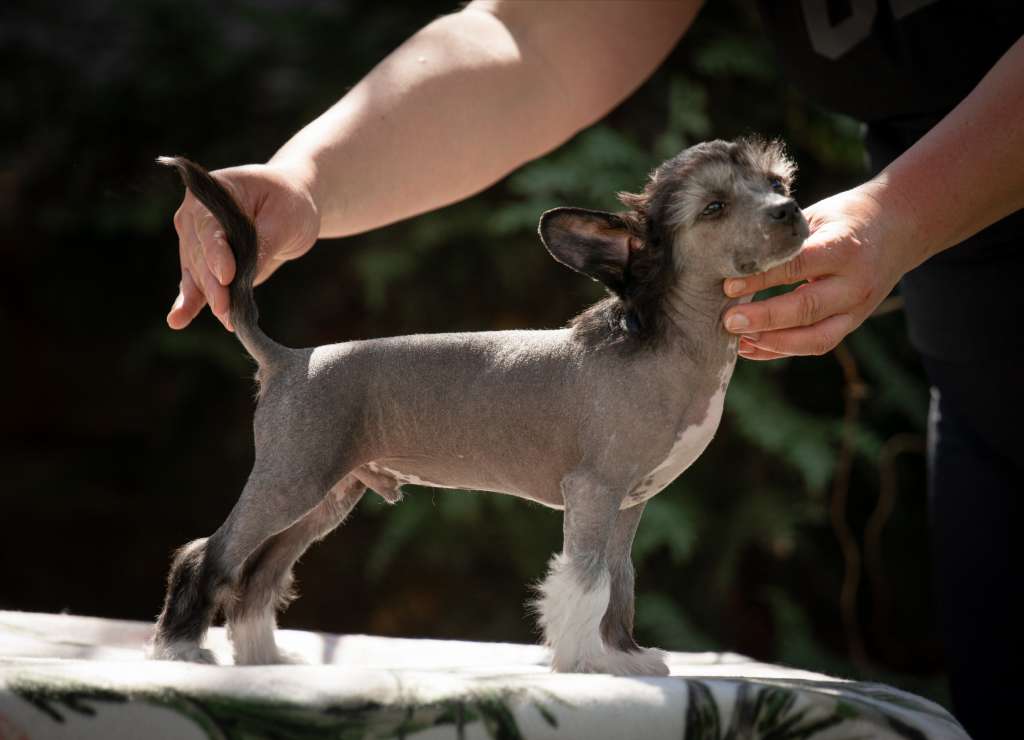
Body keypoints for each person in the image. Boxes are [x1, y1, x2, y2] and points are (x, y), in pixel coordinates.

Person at [165, 2, 1022, 736]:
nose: (779, 206)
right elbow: (532, 34)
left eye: (772, 185)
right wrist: (305, 178)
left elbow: (618, 493)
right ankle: (192, 611)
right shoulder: (614, 369)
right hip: (982, 351)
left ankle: (600, 636)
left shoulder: (663, 379)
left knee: (315, 505)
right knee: (286, 505)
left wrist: (901, 210)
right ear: (640, 256)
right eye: (722, 206)